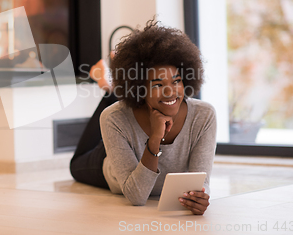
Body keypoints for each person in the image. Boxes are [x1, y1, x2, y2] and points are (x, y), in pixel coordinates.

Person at [70, 19, 217, 215]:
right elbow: (137, 196)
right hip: (109, 167)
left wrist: (200, 198)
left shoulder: (203, 115)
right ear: (139, 88)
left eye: (176, 81)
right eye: (157, 85)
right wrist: (155, 139)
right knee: (76, 165)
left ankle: (110, 88)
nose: (170, 92)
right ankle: (109, 90)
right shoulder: (114, 118)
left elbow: (201, 184)